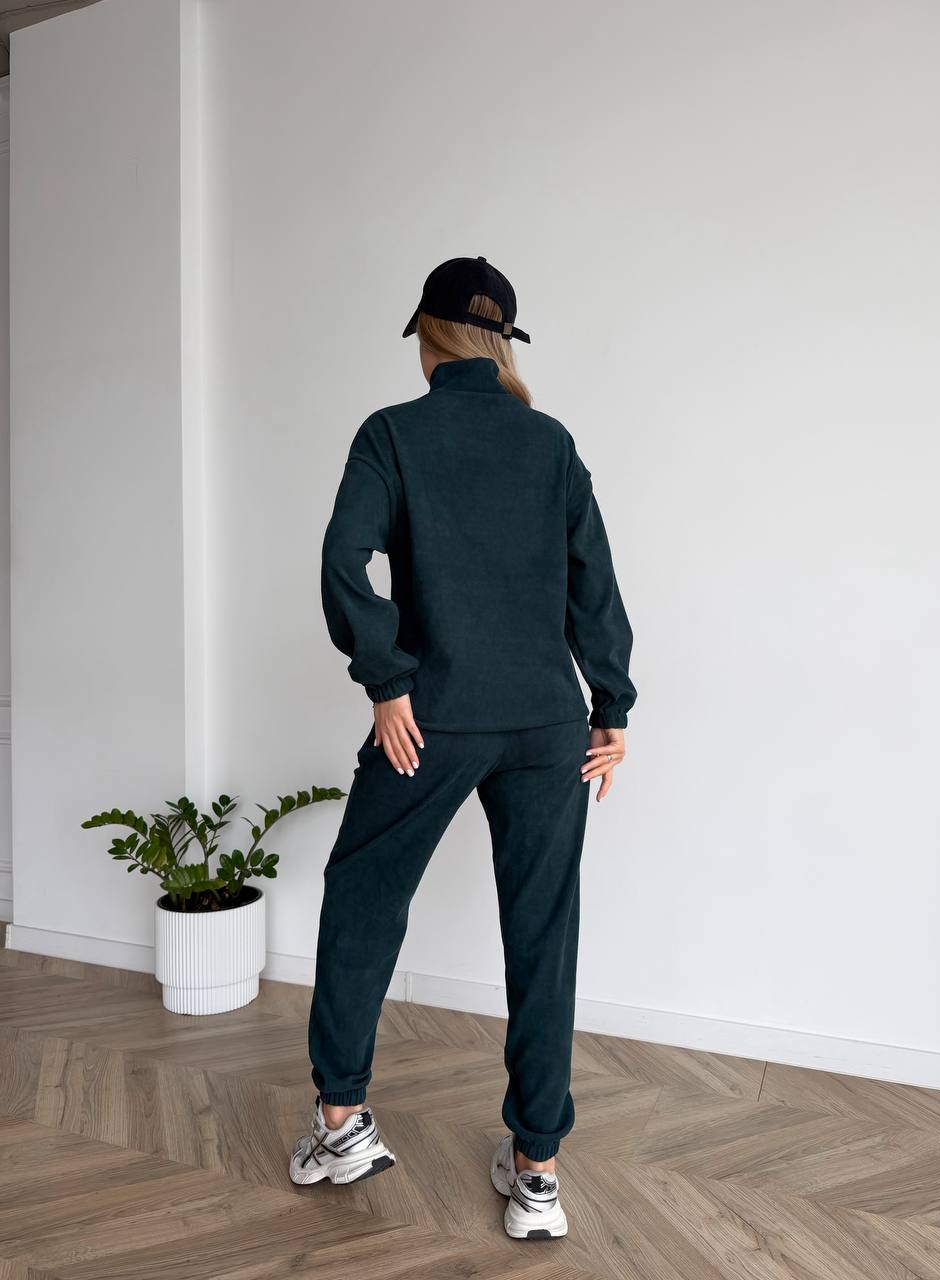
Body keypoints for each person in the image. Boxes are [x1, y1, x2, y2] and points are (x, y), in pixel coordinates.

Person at [289, 256, 636, 1240]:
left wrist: (388, 679)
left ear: (429, 335)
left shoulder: (393, 434)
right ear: (500, 341)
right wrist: (610, 702)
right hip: (547, 724)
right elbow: (595, 580)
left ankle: (342, 1123)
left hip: (431, 721)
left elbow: (343, 557)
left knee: (365, 895)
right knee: (544, 930)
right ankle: (538, 1171)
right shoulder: (550, 442)